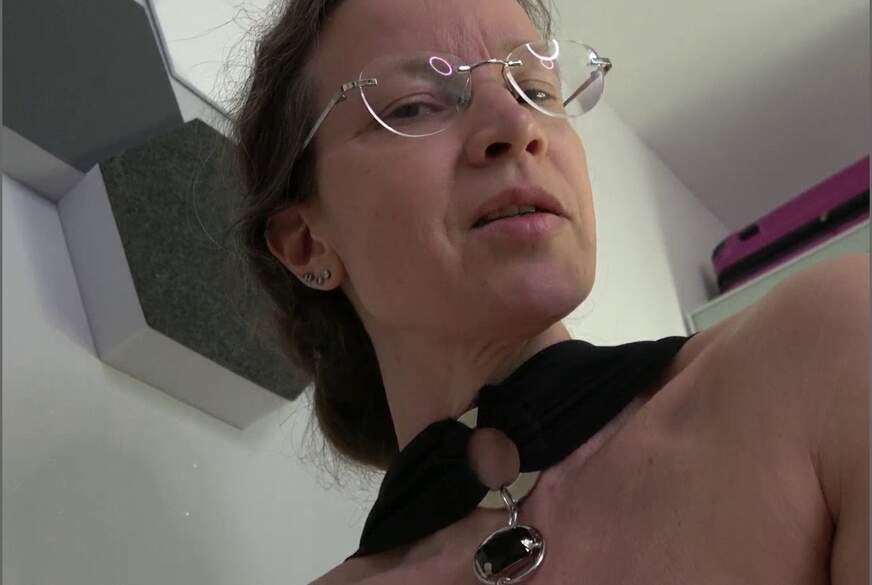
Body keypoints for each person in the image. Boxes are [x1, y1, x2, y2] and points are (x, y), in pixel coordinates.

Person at [226, 0, 869, 582]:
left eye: (534, 89)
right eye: (414, 105)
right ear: (306, 243)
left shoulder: (828, 350)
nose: (516, 124)